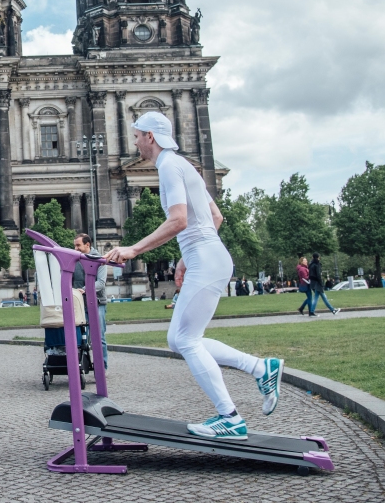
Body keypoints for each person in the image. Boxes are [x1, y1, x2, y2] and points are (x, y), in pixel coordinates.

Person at [104, 112, 283, 441]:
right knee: (180, 339)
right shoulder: (183, 165)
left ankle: (230, 418)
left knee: (185, 340)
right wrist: (187, 258)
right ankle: (261, 368)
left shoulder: (169, 167)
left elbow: (179, 221)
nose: (135, 142)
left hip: (207, 260)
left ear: (151, 137)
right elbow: (216, 216)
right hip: (209, 257)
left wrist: (134, 249)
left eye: (138, 135)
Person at [72, 233, 108, 370]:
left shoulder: (100, 259)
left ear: (87, 245)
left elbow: (101, 283)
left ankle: (102, 367)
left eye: (78, 245)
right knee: (80, 337)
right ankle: (82, 365)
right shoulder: (75, 259)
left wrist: (84, 289)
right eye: (74, 245)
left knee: (98, 337)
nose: (75, 248)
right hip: (80, 304)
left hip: (97, 303)